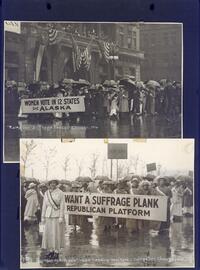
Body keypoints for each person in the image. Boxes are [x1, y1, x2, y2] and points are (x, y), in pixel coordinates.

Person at [41, 179, 65, 261]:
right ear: (49, 184)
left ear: (56, 184)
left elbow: (62, 205)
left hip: (57, 215)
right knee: (49, 233)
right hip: (48, 215)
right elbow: (44, 205)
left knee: (56, 233)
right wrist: (42, 216)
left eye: (54, 183)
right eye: (51, 183)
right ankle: (51, 250)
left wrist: (61, 216)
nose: (53, 184)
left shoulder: (61, 193)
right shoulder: (46, 193)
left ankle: (56, 251)